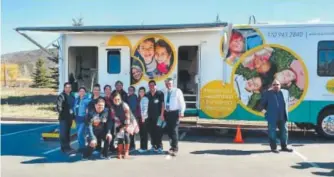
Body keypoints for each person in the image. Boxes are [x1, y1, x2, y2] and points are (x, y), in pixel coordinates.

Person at [259, 79, 293, 153]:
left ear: (280, 85)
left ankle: (284, 147)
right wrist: (266, 113)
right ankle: (273, 148)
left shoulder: (285, 93)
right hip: (272, 118)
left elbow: (288, 102)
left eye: (277, 84)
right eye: (274, 85)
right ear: (272, 86)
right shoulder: (267, 93)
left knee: (284, 132)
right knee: (272, 133)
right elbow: (260, 106)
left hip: (283, 117)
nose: (276, 86)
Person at [110, 92, 137, 159]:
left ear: (120, 99)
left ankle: (126, 152)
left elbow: (128, 117)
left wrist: (124, 127)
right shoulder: (112, 107)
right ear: (113, 100)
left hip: (129, 121)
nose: (117, 101)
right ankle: (120, 152)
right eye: (115, 100)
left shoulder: (124, 105)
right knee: (120, 135)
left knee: (126, 135)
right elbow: (115, 118)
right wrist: (120, 128)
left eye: (118, 99)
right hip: (119, 122)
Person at [163, 78, 186, 156]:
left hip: (175, 113)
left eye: (170, 83)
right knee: (169, 131)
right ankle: (171, 147)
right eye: (167, 83)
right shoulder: (165, 91)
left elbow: (182, 102)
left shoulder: (177, 91)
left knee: (174, 130)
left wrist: (182, 112)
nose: (168, 85)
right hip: (167, 113)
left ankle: (175, 148)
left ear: (172, 84)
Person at [56, 82, 75, 154]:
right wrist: (63, 113)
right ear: (64, 88)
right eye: (66, 87)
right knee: (63, 134)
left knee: (67, 133)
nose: (68, 88)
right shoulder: (61, 96)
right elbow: (59, 107)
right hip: (64, 119)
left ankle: (68, 147)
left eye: (69, 87)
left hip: (70, 119)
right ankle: (64, 148)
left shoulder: (72, 96)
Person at [146, 80, 165, 153]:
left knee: (159, 131)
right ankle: (153, 146)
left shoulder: (160, 93)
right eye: (150, 85)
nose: (152, 86)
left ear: (155, 86)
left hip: (159, 117)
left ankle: (160, 146)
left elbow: (163, 105)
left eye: (153, 85)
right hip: (149, 117)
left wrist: (162, 115)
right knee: (152, 132)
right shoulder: (147, 94)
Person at [73, 87, 91, 153]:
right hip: (77, 119)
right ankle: (81, 147)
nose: (82, 92)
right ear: (78, 92)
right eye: (80, 91)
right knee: (79, 134)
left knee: (80, 134)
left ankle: (82, 147)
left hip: (83, 119)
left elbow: (89, 109)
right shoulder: (76, 99)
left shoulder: (87, 100)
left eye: (83, 91)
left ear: (85, 92)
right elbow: (74, 108)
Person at [136, 87, 149, 153]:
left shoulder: (145, 98)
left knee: (144, 133)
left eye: (143, 91)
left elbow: (145, 109)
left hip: (144, 118)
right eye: (140, 91)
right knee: (141, 133)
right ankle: (142, 147)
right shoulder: (139, 99)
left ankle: (144, 148)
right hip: (140, 118)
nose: (141, 93)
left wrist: (143, 118)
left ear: (144, 92)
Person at [127, 86, 138, 150]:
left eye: (131, 90)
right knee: (130, 132)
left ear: (134, 91)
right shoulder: (129, 97)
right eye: (129, 90)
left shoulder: (133, 97)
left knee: (132, 132)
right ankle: (131, 146)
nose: (130, 91)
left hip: (132, 117)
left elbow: (133, 108)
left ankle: (132, 146)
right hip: (130, 116)